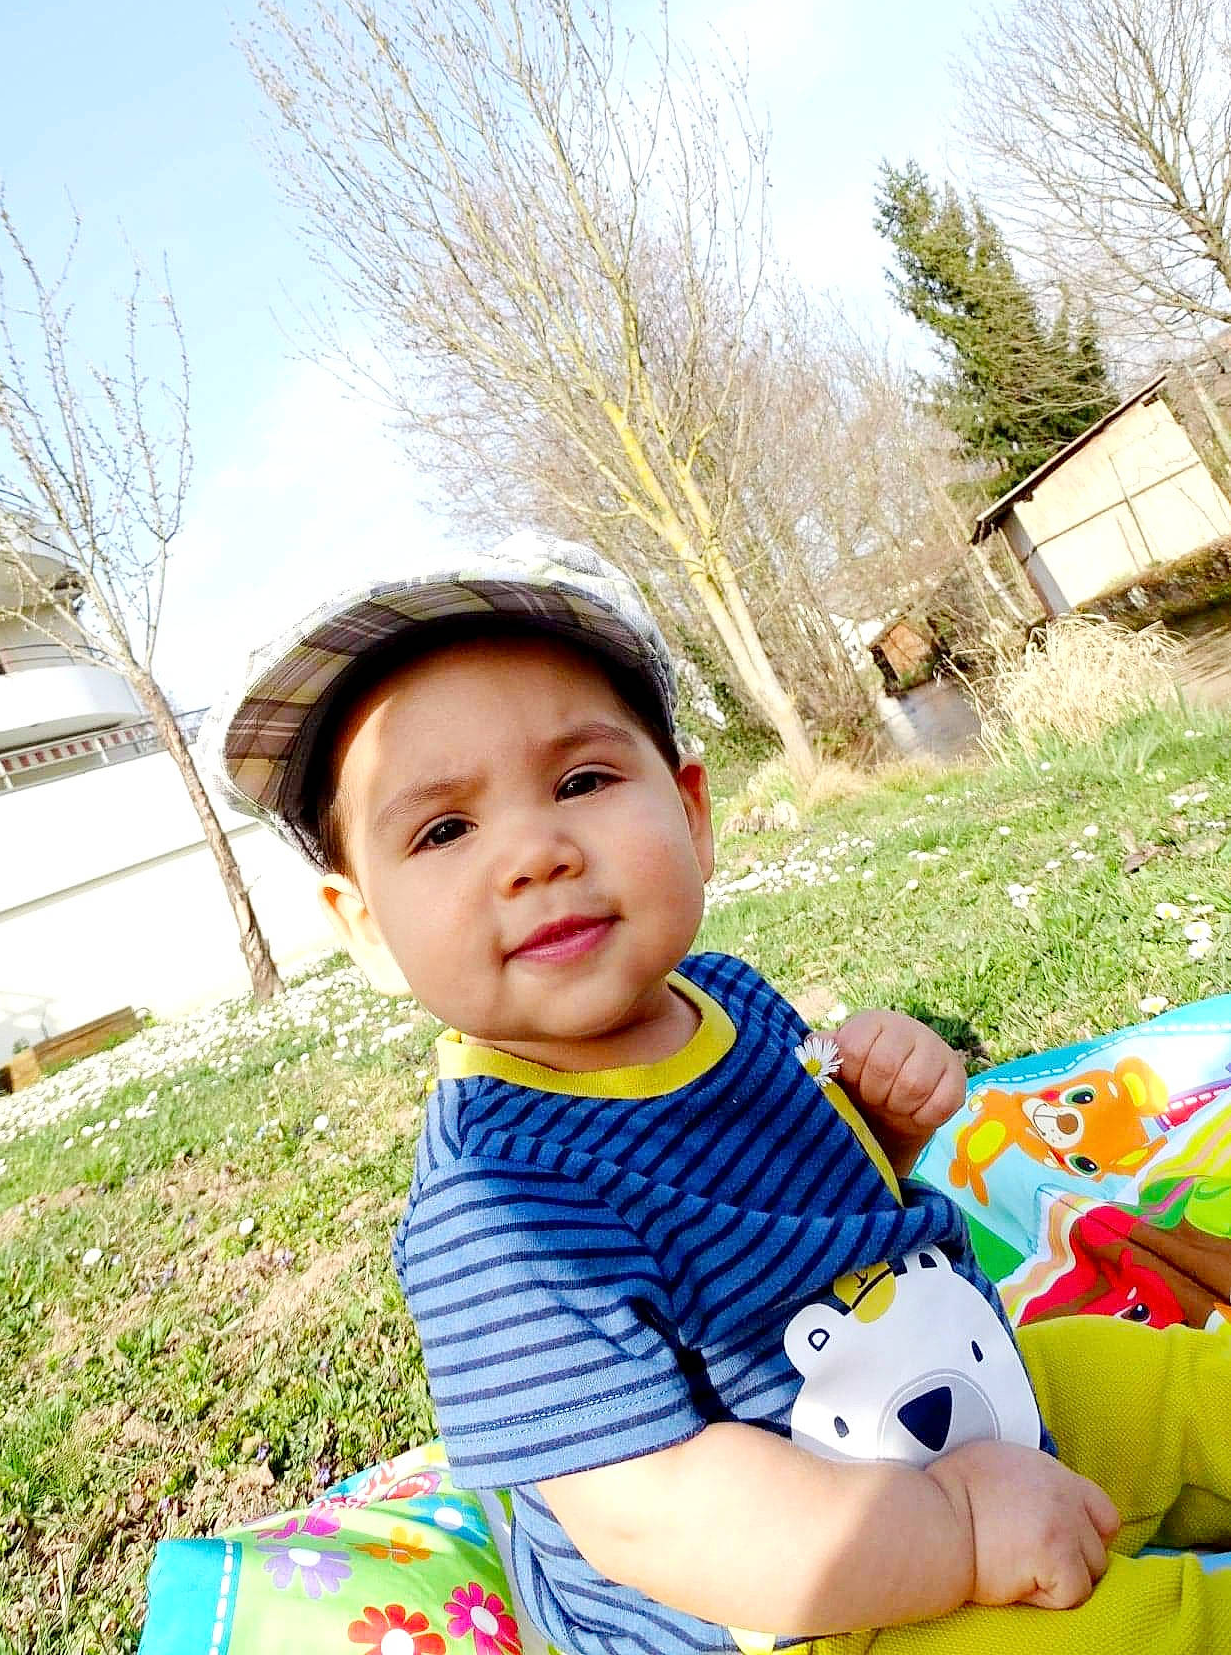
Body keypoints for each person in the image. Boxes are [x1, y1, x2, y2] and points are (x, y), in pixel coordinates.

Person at [210, 534, 1231, 1655]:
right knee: (1126, 1633)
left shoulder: (728, 999)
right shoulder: (499, 1209)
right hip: (797, 1594)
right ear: (363, 925)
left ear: (692, 812)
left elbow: (823, 1205)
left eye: (582, 780)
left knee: (1181, 1392)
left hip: (950, 1383)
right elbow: (662, 1518)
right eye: (445, 828)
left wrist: (880, 1128)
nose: (535, 851)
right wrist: (960, 1523)